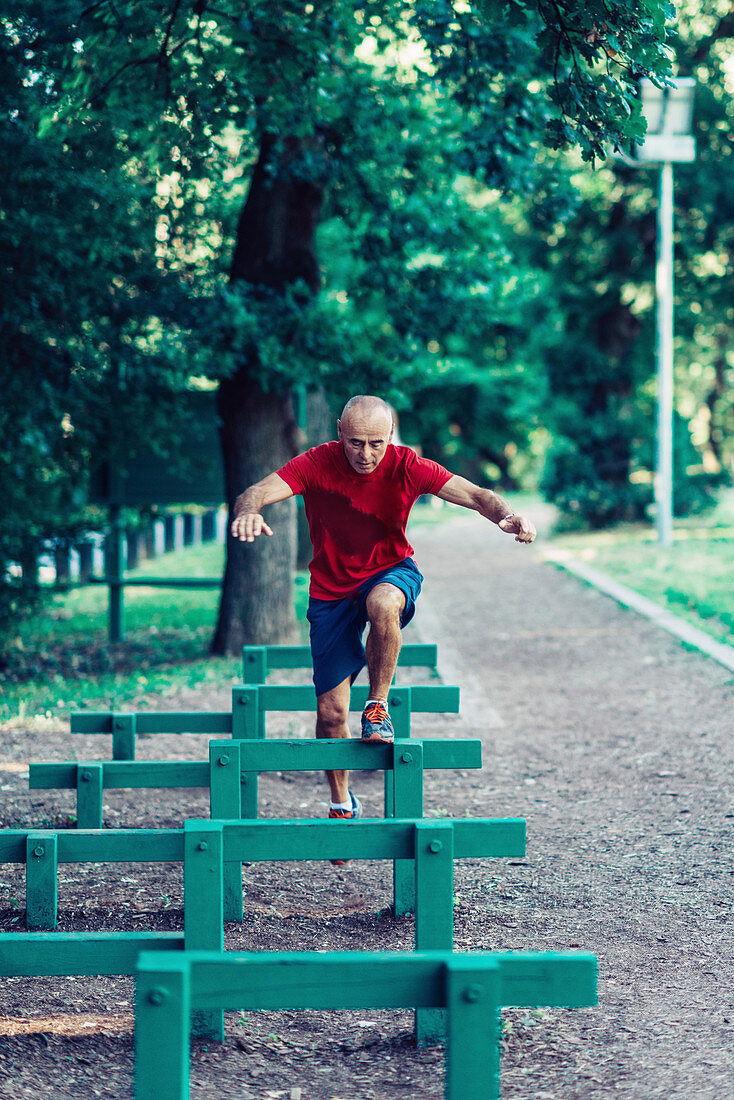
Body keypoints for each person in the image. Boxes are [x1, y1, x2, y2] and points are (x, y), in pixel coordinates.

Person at [231, 394, 536, 830]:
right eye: (356, 442)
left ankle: (377, 706)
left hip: (391, 571)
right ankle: (341, 798)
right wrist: (248, 511)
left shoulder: (408, 466)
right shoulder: (317, 463)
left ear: (390, 437)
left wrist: (507, 517)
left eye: (376, 443)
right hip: (331, 591)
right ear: (339, 432)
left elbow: (476, 494)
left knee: (382, 603)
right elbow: (256, 491)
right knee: (330, 713)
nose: (366, 454)